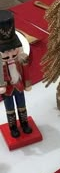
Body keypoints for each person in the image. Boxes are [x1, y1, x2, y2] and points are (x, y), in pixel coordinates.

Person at [0, 10, 32, 138]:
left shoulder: (20, 60)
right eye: (6, 54)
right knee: (10, 109)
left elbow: (26, 71)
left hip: (18, 86)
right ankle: (13, 127)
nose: (10, 56)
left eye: (13, 52)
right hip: (7, 89)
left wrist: (27, 83)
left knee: (22, 106)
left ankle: (24, 123)